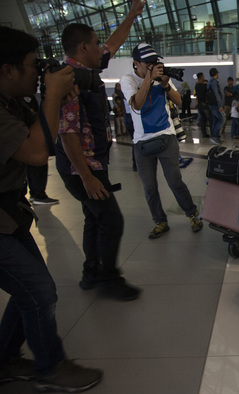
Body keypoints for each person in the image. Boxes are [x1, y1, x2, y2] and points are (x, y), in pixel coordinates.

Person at [0, 25, 103, 392]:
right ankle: (50, 367)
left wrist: (54, 98)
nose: (38, 71)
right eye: (32, 66)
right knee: (40, 291)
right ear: (7, 69)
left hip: (9, 218)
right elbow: (34, 152)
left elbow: (42, 131)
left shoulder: (12, 101)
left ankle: (5, 359)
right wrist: (52, 97)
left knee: (30, 290)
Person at [55, 2, 145, 301]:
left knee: (95, 218)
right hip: (82, 166)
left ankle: (91, 272)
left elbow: (113, 42)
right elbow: (67, 133)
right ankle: (107, 277)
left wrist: (131, 14)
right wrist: (86, 177)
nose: (102, 49)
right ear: (82, 47)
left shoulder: (86, 71)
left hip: (90, 163)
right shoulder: (69, 80)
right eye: (95, 44)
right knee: (111, 219)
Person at [120, 42, 203, 239]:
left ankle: (192, 214)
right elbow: (137, 105)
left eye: (155, 62)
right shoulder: (128, 80)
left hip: (166, 135)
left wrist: (165, 85)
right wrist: (149, 79)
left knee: (175, 181)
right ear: (136, 64)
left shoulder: (161, 78)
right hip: (142, 142)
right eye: (148, 63)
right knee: (149, 187)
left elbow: (179, 101)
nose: (153, 66)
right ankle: (160, 221)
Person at [24, 96, 59, 205]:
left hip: (32, 138)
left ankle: (37, 193)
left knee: (38, 166)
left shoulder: (29, 98)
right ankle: (37, 193)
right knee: (36, 166)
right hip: (29, 139)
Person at [207, 67, 224, 144]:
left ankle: (214, 137)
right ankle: (215, 136)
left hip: (211, 104)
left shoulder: (209, 82)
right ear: (215, 74)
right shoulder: (214, 82)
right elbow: (216, 94)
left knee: (215, 120)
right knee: (221, 119)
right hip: (215, 104)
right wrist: (220, 105)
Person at [194, 72, 212, 138]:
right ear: (201, 77)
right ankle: (212, 133)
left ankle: (204, 133)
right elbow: (207, 91)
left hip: (199, 104)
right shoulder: (203, 86)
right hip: (204, 104)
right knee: (210, 118)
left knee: (203, 120)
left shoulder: (196, 85)